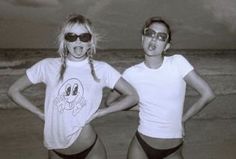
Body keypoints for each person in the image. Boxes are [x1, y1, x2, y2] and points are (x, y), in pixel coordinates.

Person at [8, 14, 139, 159]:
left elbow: (132, 96)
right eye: (71, 36)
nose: (78, 41)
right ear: (64, 40)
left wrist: (103, 112)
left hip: (90, 150)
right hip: (55, 150)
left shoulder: (102, 69)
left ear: (91, 41)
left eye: (84, 37)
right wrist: (40, 114)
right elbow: (13, 91)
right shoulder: (47, 66)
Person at [106, 17, 215, 159]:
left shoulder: (177, 63)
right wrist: (141, 106)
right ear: (142, 39)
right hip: (141, 145)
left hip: (172, 149)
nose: (154, 39)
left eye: (161, 37)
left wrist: (183, 119)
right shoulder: (131, 73)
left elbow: (208, 94)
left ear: (166, 46)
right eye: (150, 33)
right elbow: (109, 102)